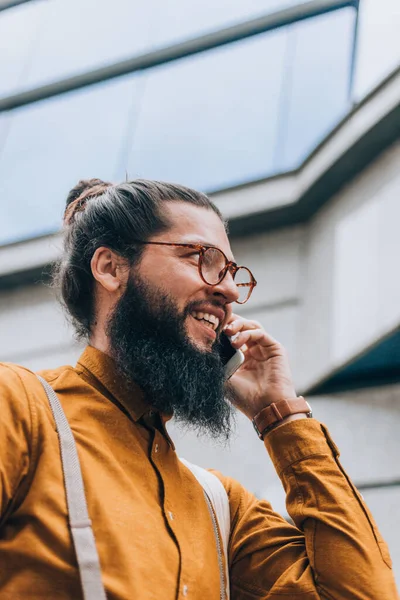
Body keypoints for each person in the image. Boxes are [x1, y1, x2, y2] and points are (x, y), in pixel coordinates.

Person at [0, 178, 397, 600]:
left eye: (231, 273)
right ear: (110, 268)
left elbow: (361, 595)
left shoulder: (220, 505)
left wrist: (281, 415)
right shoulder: (19, 406)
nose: (228, 291)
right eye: (200, 257)